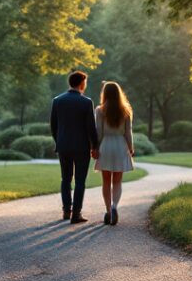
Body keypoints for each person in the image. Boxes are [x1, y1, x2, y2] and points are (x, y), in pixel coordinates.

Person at [49, 70, 99, 224]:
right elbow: (91, 127)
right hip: (81, 147)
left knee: (65, 179)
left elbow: (53, 125)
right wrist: (95, 146)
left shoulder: (57, 101)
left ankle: (66, 210)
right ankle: (76, 214)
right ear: (82, 83)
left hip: (63, 146)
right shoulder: (86, 102)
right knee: (80, 181)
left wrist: (59, 141)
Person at [94, 81, 135, 225]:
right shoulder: (126, 111)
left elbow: (98, 132)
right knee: (117, 181)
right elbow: (128, 133)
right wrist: (131, 148)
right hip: (120, 146)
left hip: (105, 146)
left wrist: (95, 148)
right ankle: (114, 206)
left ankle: (108, 211)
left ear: (104, 93)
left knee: (106, 181)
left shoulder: (100, 110)